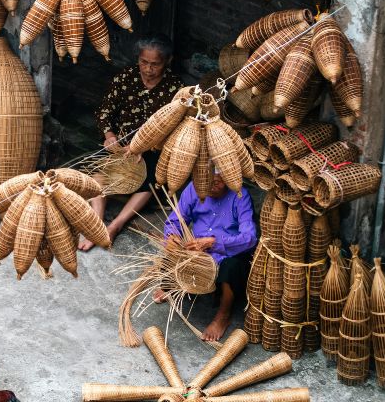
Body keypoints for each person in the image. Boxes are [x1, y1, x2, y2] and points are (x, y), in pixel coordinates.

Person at [80, 36, 184, 251]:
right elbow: (105, 111)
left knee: (152, 182)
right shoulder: (126, 77)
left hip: (152, 148)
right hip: (120, 143)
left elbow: (175, 128)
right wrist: (109, 135)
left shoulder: (175, 89)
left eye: (155, 64)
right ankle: (97, 223)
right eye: (144, 62)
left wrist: (143, 146)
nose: (148, 69)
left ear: (167, 61)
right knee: (97, 171)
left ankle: (116, 225)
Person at [156, 168, 256, 341]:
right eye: (203, 182)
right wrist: (172, 237)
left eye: (215, 182)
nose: (208, 187)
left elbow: (250, 238)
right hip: (198, 250)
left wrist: (214, 243)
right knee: (173, 247)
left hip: (227, 252)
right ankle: (171, 284)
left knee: (231, 268)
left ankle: (223, 315)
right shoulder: (194, 188)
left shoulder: (240, 196)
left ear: (228, 180)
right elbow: (175, 220)